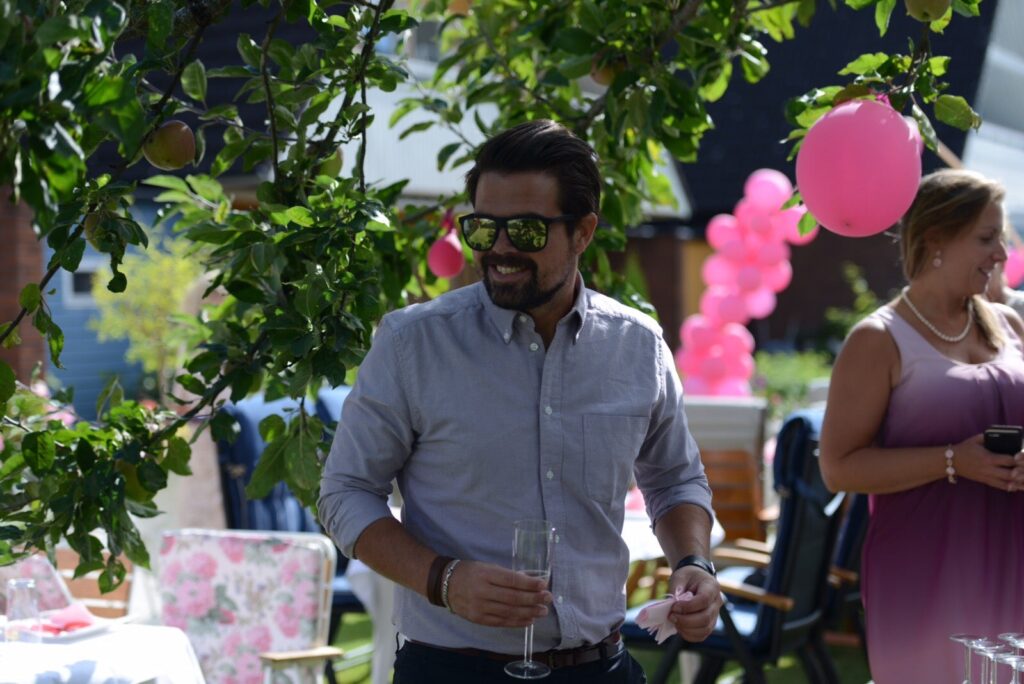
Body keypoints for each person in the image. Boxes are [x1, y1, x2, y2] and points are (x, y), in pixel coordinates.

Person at [318, 119, 721, 683]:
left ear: (583, 232)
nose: (500, 248)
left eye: (527, 230)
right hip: (452, 671)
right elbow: (345, 493)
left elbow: (675, 481)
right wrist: (444, 580)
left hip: (600, 667)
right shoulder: (412, 344)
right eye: (484, 228)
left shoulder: (637, 346)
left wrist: (693, 562)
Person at [819, 168, 1024, 684]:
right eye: (987, 238)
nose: (1002, 254)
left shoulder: (1011, 326)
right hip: (925, 573)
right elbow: (838, 468)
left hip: (1013, 559)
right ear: (936, 240)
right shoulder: (878, 340)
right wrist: (954, 461)